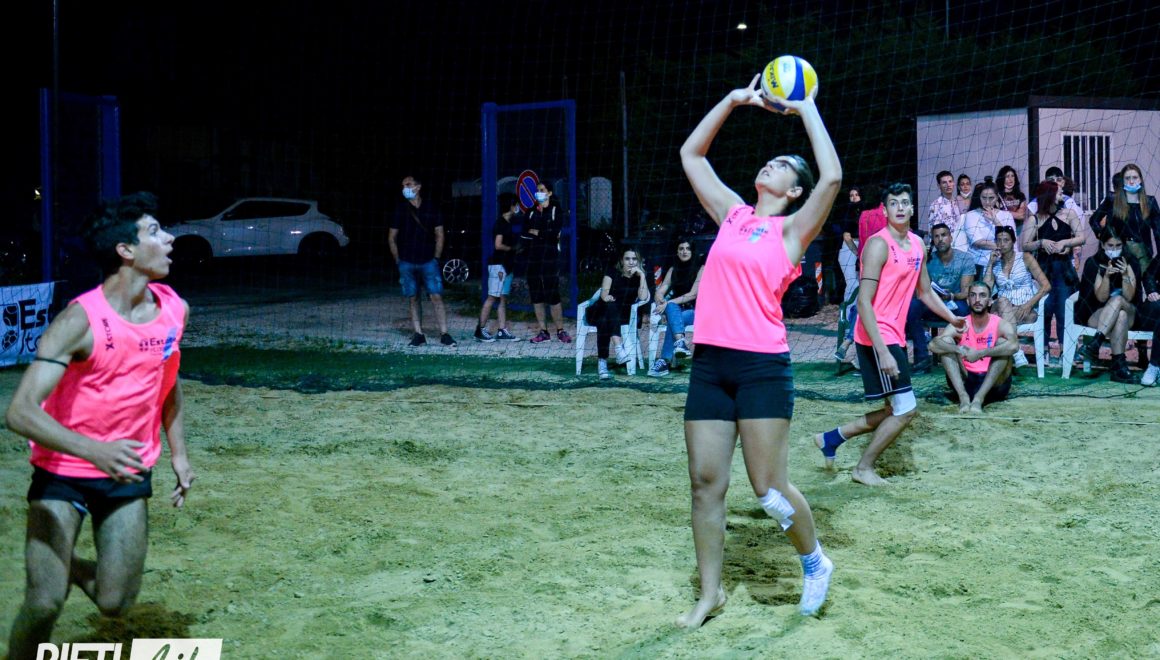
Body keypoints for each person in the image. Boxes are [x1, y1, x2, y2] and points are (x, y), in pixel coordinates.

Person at [676, 73, 841, 626]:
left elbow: (832, 176)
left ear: (794, 191)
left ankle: (814, 561)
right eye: (771, 160)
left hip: (761, 367)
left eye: (783, 165)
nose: (771, 164)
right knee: (705, 484)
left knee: (768, 488)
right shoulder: (733, 214)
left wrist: (805, 107)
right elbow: (692, 155)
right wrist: (732, 100)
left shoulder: (793, 231)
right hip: (710, 364)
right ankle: (711, 594)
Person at [5, 192, 194, 659]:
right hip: (63, 471)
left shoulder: (174, 309)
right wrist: (94, 450)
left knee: (115, 603)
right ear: (125, 250)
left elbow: (166, 383)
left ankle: (63, 563)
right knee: (44, 603)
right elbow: (20, 412)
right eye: (155, 232)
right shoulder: (79, 320)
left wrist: (179, 453)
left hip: (126, 470)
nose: (170, 238)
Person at [814, 183, 964, 487]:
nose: (900, 207)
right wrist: (882, 350)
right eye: (893, 203)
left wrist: (952, 318)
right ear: (884, 210)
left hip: (893, 335)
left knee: (893, 409)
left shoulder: (918, 244)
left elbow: (925, 292)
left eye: (904, 202)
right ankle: (863, 468)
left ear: (912, 209)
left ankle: (831, 439)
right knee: (906, 410)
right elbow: (863, 302)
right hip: (875, 335)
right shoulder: (878, 245)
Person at [929, 281, 1017, 413]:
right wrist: (959, 349)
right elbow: (933, 345)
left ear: (989, 302)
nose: (977, 300)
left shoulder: (1000, 324)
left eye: (982, 295)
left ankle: (978, 399)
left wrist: (980, 353)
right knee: (946, 342)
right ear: (968, 301)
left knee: (1002, 343)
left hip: (995, 383)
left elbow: (1014, 346)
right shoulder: (960, 323)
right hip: (966, 380)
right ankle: (963, 398)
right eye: (973, 295)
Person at [389, 175, 456, 347]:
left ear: (418, 187)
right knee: (413, 297)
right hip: (406, 261)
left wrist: (436, 257)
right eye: (403, 185)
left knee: (436, 296)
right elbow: (391, 237)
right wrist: (398, 260)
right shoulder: (400, 209)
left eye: (408, 184)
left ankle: (445, 333)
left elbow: (440, 234)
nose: (405, 188)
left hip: (428, 260)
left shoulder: (431, 208)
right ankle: (418, 334)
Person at [1022, 179, 1085, 358]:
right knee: (1046, 309)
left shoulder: (1069, 213)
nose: (1062, 194)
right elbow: (1024, 245)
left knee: (1065, 310)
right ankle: (1043, 350)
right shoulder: (1035, 219)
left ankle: (1067, 350)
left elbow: (1081, 237)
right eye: (1058, 192)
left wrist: (1066, 243)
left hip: (1064, 269)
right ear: (1049, 195)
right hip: (1043, 271)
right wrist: (1041, 242)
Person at [906, 222, 974, 373]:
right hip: (932, 303)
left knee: (964, 310)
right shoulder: (928, 259)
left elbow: (966, 292)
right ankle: (922, 359)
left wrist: (950, 295)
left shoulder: (965, 258)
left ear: (950, 237)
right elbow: (920, 289)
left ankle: (966, 355)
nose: (940, 239)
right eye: (936, 236)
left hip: (955, 302)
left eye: (943, 235)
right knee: (912, 305)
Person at [1076, 227, 1140, 383]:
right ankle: (1118, 367)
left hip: (1130, 311)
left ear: (1123, 245)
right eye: (1110, 246)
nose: (1114, 249)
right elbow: (1101, 297)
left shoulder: (1131, 262)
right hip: (1099, 313)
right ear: (1102, 245)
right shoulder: (1094, 263)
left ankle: (1095, 343)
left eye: (1118, 245)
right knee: (1120, 316)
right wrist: (1106, 277)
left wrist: (1125, 274)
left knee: (1119, 302)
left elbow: (1129, 297)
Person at [983, 226, 1050, 368]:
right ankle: (1016, 351)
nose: (1002, 244)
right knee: (1002, 301)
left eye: (1006, 240)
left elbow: (1046, 286)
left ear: (1013, 241)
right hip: (1001, 307)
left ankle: (1009, 354)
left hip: (1024, 310)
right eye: (999, 240)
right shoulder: (995, 262)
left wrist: (1028, 305)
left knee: (996, 321)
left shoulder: (1025, 257)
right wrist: (990, 264)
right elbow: (985, 289)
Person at [835, 193, 888, 365]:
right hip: (861, 255)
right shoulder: (858, 213)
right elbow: (847, 237)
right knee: (858, 297)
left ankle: (849, 341)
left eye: (857, 195)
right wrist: (859, 254)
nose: (854, 197)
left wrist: (860, 255)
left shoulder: (870, 214)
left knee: (863, 303)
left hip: (867, 257)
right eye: (851, 195)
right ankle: (855, 347)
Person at [587, 248, 650, 380]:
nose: (631, 262)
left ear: (638, 261)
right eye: (627, 259)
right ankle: (619, 348)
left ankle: (602, 363)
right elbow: (604, 293)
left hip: (624, 315)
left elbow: (643, 297)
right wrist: (607, 297)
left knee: (604, 321)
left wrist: (642, 276)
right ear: (622, 261)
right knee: (610, 306)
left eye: (634, 259)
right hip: (601, 309)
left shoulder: (639, 277)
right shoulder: (612, 272)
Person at [523, 180, 573, 344]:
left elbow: (553, 233)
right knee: (536, 295)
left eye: (542, 190)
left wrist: (538, 232)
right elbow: (524, 233)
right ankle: (543, 331)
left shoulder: (555, 210)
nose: (539, 192)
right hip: (533, 258)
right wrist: (541, 232)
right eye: (537, 190)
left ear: (549, 193)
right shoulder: (531, 212)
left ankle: (560, 330)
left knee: (552, 294)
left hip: (550, 258)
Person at [648, 238, 704, 377]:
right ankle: (680, 343)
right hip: (677, 310)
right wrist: (659, 296)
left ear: (692, 251)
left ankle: (664, 361)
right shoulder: (673, 269)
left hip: (697, 311)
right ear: (677, 251)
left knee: (673, 312)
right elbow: (663, 287)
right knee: (673, 312)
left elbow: (693, 294)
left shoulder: (701, 268)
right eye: (681, 249)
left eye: (687, 248)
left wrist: (668, 303)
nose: (684, 251)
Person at [1088, 164, 1160, 271]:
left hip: (1143, 253)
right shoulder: (1112, 200)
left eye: (1135, 177)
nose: (1131, 181)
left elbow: (1158, 231)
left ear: (1140, 180)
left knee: (1145, 279)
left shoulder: (1150, 202)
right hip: (1120, 253)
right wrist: (1104, 237)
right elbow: (1094, 220)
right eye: (1127, 178)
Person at [475, 194, 522, 342]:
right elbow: (498, 245)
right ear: (511, 206)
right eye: (516, 204)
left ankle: (502, 330)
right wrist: (512, 248)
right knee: (492, 297)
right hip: (498, 266)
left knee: (502, 298)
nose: (518, 208)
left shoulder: (507, 223)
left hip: (506, 266)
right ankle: (479, 330)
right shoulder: (501, 223)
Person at [957, 182, 1015, 279]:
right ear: (979, 197)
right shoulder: (970, 215)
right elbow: (978, 242)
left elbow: (1011, 239)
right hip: (979, 264)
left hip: (1004, 262)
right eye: (984, 198)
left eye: (991, 198)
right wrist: (1005, 245)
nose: (987, 202)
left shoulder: (1007, 215)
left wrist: (995, 220)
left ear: (997, 197)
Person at [1135, 255, 1160, 386]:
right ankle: (1154, 366)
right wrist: (1152, 291)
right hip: (1155, 307)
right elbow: (1149, 275)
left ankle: (1155, 366)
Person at [925, 170, 959, 239]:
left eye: (950, 181)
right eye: (944, 182)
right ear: (939, 185)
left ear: (953, 183)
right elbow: (932, 232)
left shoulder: (957, 202)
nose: (948, 185)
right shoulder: (935, 205)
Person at [997, 165, 1028, 229]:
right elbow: (996, 215)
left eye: (1012, 176)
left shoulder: (1020, 195)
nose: (1010, 179)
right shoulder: (997, 196)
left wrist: (1003, 213)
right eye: (1007, 176)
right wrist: (1015, 214)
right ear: (1002, 178)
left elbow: (1021, 215)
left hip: (1018, 228)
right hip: (1002, 228)